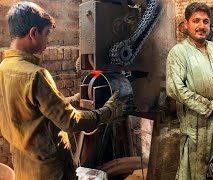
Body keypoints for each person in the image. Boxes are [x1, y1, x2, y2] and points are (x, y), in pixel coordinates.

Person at [0, 2, 126, 180]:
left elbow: (32, 112)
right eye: (46, 34)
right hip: (51, 172)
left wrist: (73, 99)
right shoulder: (35, 75)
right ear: (33, 33)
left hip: (24, 167)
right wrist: (109, 112)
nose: (48, 40)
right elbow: (70, 122)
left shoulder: (3, 68)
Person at [166, 2, 213, 180]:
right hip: (197, 126)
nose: (201, 26)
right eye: (196, 21)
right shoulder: (179, 52)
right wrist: (209, 106)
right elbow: (175, 88)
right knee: (195, 172)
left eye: (205, 21)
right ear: (186, 24)